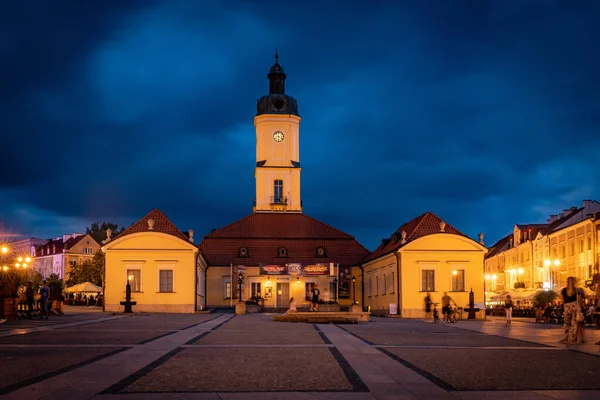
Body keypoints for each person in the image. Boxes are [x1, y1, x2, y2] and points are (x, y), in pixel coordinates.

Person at [560, 276, 583, 344]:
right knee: (574, 323)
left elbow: (562, 300)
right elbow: (579, 300)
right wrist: (581, 307)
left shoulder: (564, 290)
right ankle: (573, 339)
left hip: (567, 307)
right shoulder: (577, 290)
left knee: (566, 323)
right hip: (574, 306)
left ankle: (566, 338)